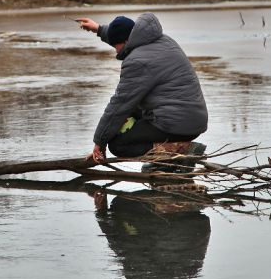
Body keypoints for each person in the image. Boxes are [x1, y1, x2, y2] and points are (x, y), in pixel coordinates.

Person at [76, 13, 208, 167]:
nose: (116, 51)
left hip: (176, 124)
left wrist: (99, 142)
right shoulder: (162, 40)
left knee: (118, 144)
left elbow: (119, 105)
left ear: (125, 41)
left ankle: (181, 151)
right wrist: (98, 29)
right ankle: (166, 162)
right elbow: (125, 38)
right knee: (129, 112)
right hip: (193, 118)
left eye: (116, 46)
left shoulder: (137, 61)